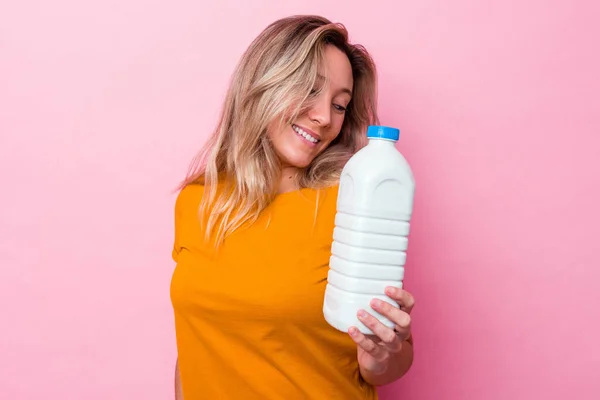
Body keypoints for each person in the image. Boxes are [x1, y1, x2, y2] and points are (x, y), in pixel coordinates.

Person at [170, 15, 415, 399]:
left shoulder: (350, 201)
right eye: (309, 90)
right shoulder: (199, 200)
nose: (323, 117)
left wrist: (383, 355)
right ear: (264, 83)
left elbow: (388, 361)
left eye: (339, 105)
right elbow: (195, 344)